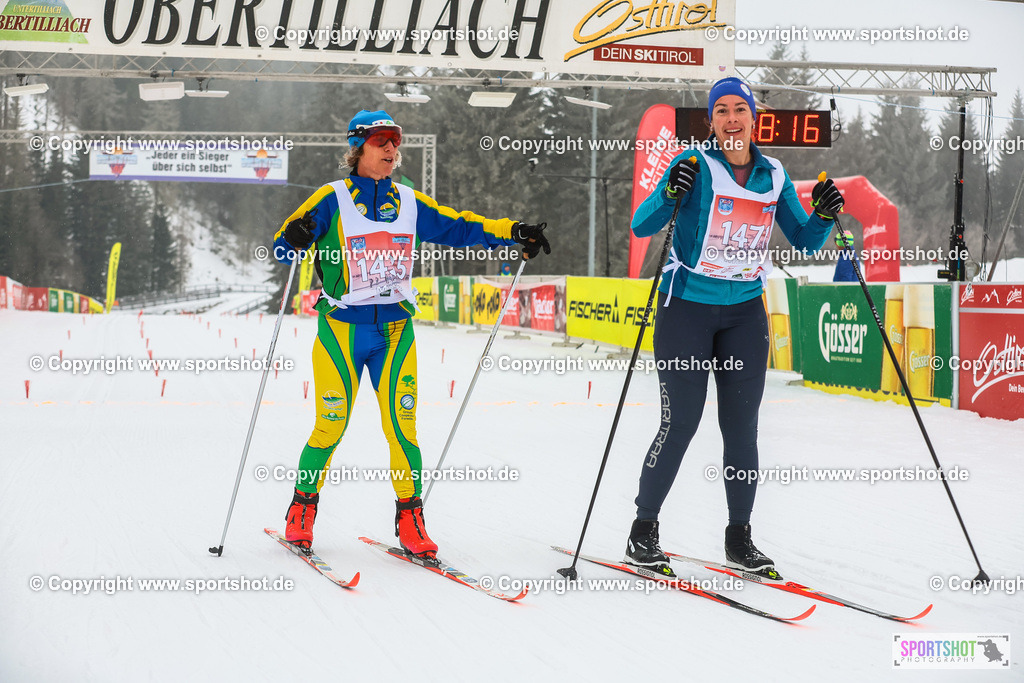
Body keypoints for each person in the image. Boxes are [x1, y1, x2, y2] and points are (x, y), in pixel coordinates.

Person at [273, 110, 550, 559]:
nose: (391, 148)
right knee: (330, 427)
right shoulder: (330, 199)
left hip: (396, 332)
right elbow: (284, 248)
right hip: (342, 331)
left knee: (403, 428)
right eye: (381, 139)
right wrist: (295, 234)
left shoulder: (408, 201)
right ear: (357, 147)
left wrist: (512, 232)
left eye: (395, 140)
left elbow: (459, 226)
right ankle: (301, 510)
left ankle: (411, 518)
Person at [624, 78, 845, 578]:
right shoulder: (695, 166)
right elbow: (641, 224)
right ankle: (643, 531)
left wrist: (826, 214)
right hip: (687, 310)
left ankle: (739, 537)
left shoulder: (774, 174)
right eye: (720, 110)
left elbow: (806, 241)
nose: (730, 119)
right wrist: (669, 192)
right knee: (680, 423)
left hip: (746, 315)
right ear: (711, 120)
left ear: (752, 118)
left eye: (738, 109)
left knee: (741, 430)